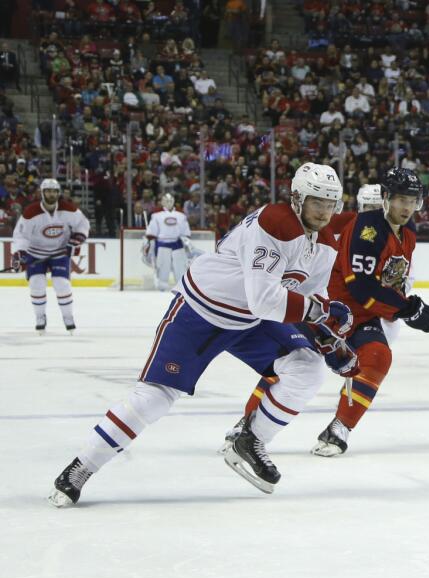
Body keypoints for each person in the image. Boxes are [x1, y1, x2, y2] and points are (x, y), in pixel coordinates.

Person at [48, 163, 355, 507]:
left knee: (306, 367)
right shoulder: (276, 222)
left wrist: (327, 338)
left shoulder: (326, 241)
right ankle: (81, 468)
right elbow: (267, 299)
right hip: (203, 311)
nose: (325, 211)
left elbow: (309, 294)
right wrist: (322, 313)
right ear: (297, 198)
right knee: (155, 397)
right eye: (318, 202)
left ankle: (250, 440)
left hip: (251, 320)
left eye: (331, 204)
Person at [237, 168, 429, 458]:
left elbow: (391, 278)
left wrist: (410, 306)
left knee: (378, 357)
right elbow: (362, 286)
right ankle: (249, 423)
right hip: (326, 309)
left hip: (362, 316)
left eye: (412, 201)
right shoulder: (366, 227)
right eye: (400, 200)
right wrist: (404, 309)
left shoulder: (408, 233)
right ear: (386, 198)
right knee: (296, 359)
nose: (406, 207)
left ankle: (339, 428)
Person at [11, 179, 89, 334]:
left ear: (58, 193)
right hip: (35, 253)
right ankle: (40, 318)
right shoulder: (31, 212)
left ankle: (68, 318)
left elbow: (83, 224)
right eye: (48, 191)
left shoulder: (69, 209)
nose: (51, 194)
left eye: (54, 191)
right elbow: (21, 235)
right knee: (36, 284)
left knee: (61, 284)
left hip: (59, 253)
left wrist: (78, 237)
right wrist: (19, 253)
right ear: (42, 193)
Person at [142, 193, 194, 291]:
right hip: (162, 244)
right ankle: (162, 285)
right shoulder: (156, 216)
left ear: (174, 201)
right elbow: (151, 233)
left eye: (170, 201)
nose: (168, 203)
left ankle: (181, 286)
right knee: (163, 266)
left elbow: (185, 233)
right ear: (162, 202)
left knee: (180, 267)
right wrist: (149, 243)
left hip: (177, 244)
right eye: (166, 201)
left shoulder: (181, 216)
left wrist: (186, 241)